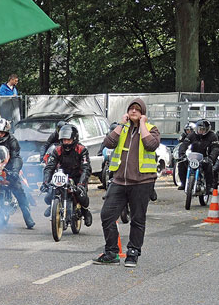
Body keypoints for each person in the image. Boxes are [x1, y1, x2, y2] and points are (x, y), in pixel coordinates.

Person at [92, 98, 160, 268]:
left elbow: (151, 145)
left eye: (137, 109)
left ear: (143, 113)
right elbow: (107, 143)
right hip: (119, 181)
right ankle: (112, 252)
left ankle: (133, 252)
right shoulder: (122, 129)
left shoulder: (151, 129)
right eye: (131, 109)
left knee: (137, 219)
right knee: (107, 215)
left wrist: (142, 125)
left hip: (142, 182)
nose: (134, 112)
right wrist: (120, 125)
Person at [40, 123, 93, 226]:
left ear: (74, 139)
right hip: (62, 175)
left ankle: (86, 211)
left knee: (82, 196)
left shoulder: (82, 150)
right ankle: (53, 206)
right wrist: (45, 182)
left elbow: (86, 168)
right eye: (64, 140)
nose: (66, 143)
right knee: (48, 196)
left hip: (78, 176)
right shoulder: (57, 150)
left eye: (68, 140)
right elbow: (49, 167)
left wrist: (81, 184)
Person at [187, 119, 219, 192]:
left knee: (209, 166)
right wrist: (182, 154)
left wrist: (211, 157)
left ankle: (209, 185)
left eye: (203, 129)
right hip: (194, 157)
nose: (200, 131)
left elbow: (216, 148)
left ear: (207, 129)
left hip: (206, 157)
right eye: (199, 129)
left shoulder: (212, 136)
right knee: (182, 164)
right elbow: (184, 144)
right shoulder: (192, 135)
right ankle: (184, 183)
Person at [175, 122, 196, 190]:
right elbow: (181, 144)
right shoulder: (183, 135)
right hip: (185, 154)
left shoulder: (196, 135)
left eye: (190, 130)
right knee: (181, 166)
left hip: (194, 155)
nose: (188, 132)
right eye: (187, 130)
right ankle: (183, 184)